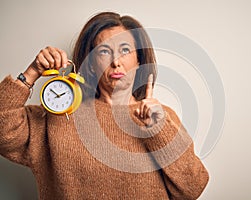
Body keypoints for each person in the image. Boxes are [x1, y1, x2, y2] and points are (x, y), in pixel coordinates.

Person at [0, 12, 209, 199]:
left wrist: (158, 131)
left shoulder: (162, 117)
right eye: (104, 51)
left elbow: (192, 187)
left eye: (125, 50)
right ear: (90, 64)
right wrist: (32, 72)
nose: (116, 61)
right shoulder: (58, 116)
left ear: (139, 60)